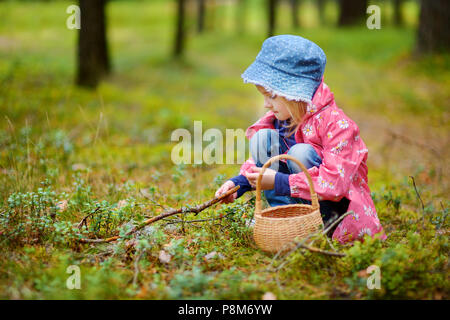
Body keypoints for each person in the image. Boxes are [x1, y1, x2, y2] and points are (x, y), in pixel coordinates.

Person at [215, 35, 386, 244]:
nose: (267, 104)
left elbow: (333, 184)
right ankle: (285, 219)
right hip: (296, 195)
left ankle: (324, 228)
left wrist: (279, 182)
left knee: (300, 153)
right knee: (262, 138)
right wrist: (239, 183)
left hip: (335, 210)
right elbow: (264, 164)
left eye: (272, 95)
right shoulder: (283, 118)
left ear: (295, 92)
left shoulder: (337, 126)